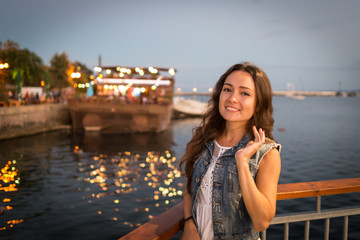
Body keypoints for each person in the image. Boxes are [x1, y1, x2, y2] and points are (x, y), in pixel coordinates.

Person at [180, 62, 281, 240]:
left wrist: (242, 163)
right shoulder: (202, 138)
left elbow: (261, 222)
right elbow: (190, 187)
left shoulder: (267, 153)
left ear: (258, 103)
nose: (232, 98)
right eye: (227, 89)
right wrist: (188, 223)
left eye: (244, 93)